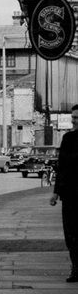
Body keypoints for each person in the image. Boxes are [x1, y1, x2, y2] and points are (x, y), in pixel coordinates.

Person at [50, 104, 78, 282]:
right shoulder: (68, 138)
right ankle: (76, 268)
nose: (73, 121)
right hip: (71, 194)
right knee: (71, 232)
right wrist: (56, 192)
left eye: (76, 118)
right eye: (73, 117)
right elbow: (62, 167)